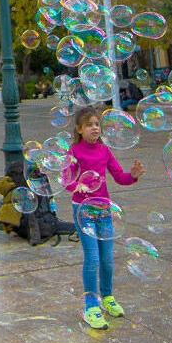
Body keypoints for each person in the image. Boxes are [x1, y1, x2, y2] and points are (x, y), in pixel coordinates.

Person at [64, 107, 141, 330]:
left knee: (107, 258)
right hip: (83, 211)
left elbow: (119, 177)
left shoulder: (104, 151)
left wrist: (133, 176)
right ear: (79, 129)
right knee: (93, 258)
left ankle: (107, 297)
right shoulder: (74, 151)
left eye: (97, 124)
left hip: (104, 210)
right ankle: (91, 306)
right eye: (89, 124)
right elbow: (65, 178)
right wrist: (74, 184)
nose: (94, 128)